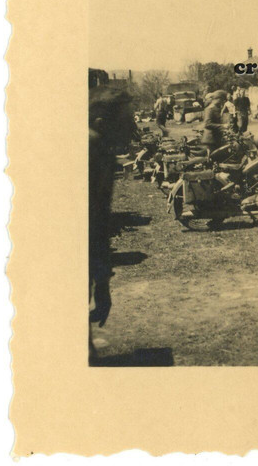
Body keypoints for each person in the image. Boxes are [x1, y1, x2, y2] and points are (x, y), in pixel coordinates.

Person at [89, 85, 137, 361]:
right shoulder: (91, 150)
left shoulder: (99, 148)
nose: (132, 126)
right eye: (125, 119)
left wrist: (102, 280)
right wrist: (101, 280)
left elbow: (98, 220)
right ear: (102, 123)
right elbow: (90, 222)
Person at [180, 90, 228, 222]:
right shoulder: (211, 108)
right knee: (212, 169)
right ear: (217, 98)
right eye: (221, 99)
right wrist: (222, 126)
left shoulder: (216, 108)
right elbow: (207, 123)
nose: (222, 102)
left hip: (215, 140)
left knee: (218, 166)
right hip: (210, 141)